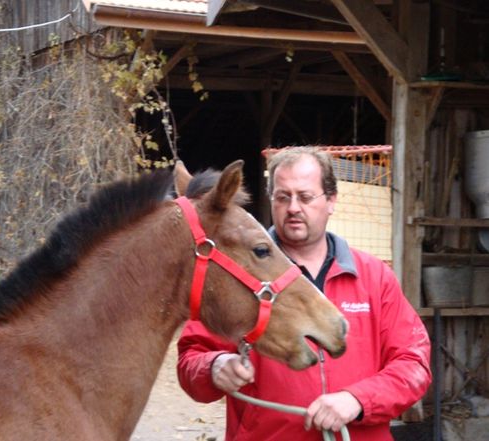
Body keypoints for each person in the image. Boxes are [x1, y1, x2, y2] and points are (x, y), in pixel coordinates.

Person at [176, 147, 432, 441]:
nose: (294, 207)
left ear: (331, 200)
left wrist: (358, 400)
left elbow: (414, 364)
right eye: (283, 197)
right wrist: (214, 367)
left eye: (306, 197)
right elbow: (190, 361)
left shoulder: (374, 277)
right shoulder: (234, 274)